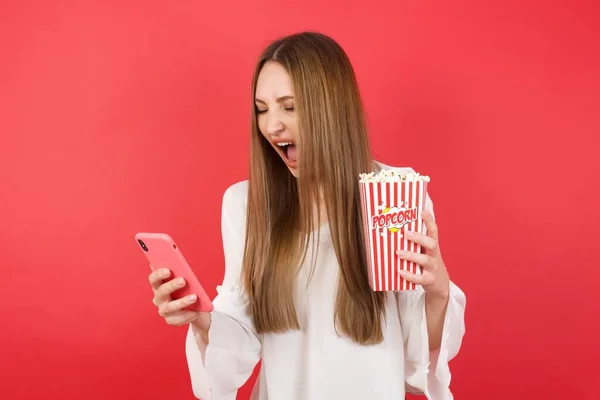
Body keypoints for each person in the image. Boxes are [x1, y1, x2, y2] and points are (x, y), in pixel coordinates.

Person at [147, 31, 466, 400]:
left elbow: (417, 360)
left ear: (331, 107)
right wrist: (200, 320)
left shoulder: (394, 194)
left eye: (289, 106)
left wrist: (438, 291)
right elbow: (239, 333)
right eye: (262, 109)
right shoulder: (247, 204)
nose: (272, 126)